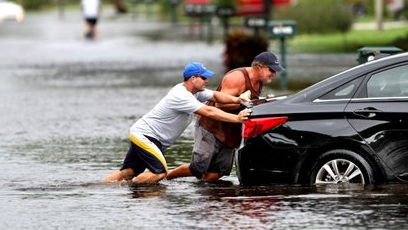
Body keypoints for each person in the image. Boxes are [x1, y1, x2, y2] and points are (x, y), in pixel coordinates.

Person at [104, 62, 252, 182]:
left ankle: (102, 188)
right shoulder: (181, 95)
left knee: (129, 172)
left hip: (146, 135)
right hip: (145, 135)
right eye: (204, 78)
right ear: (193, 79)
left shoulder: (194, 92)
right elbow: (209, 111)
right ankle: (133, 194)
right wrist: (236, 118)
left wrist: (238, 99)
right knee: (159, 172)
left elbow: (216, 96)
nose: (207, 81)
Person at [166, 51, 284, 181]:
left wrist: (263, 101)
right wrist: (248, 104)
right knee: (198, 167)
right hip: (211, 125)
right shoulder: (237, 77)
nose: (274, 74)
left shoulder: (260, 80)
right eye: (271, 70)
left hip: (229, 128)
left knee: (219, 171)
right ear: (260, 67)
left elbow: (248, 103)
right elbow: (219, 105)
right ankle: (167, 178)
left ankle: (201, 193)